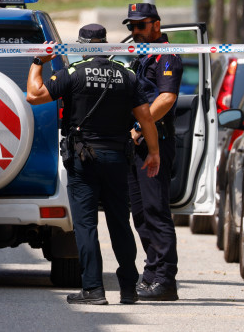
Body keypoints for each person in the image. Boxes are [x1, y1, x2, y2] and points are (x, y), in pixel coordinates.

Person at [26, 23, 160, 305]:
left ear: (82, 45)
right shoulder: (127, 75)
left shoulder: (73, 73)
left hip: (83, 159)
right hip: (116, 159)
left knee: (86, 226)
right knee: (120, 225)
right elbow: (146, 118)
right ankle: (128, 289)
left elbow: (33, 96)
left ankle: (93, 290)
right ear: (106, 43)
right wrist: (154, 153)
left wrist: (38, 62)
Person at [123, 3, 183, 301]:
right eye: (131, 27)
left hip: (154, 142)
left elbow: (167, 98)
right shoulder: (139, 56)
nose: (134, 32)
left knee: (156, 212)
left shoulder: (166, 55)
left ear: (156, 25)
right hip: (136, 145)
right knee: (140, 214)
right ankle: (151, 273)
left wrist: (137, 127)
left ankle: (165, 280)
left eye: (140, 26)